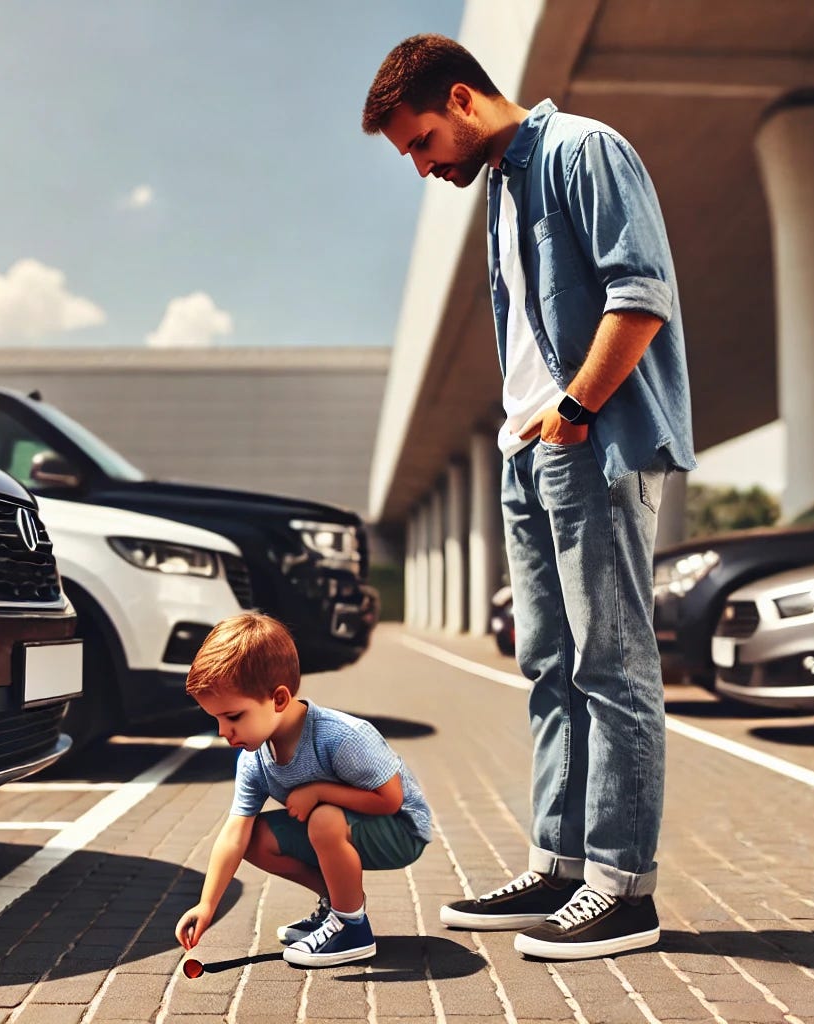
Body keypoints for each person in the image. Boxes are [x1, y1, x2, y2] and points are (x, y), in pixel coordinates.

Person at [362, 34, 695, 960]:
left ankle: (622, 889)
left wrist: (576, 410)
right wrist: (526, 432)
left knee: (611, 665)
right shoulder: (501, 187)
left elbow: (641, 294)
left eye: (422, 142)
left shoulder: (584, 151)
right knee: (549, 667)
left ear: (461, 100)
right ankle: (561, 863)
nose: (423, 167)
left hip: (590, 442)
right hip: (529, 450)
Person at [174, 612, 431, 968]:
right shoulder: (254, 758)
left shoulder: (341, 737)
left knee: (324, 817)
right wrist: (207, 905)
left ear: (279, 699)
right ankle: (336, 905)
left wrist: (320, 791)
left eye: (233, 717)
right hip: (347, 828)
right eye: (215, 718)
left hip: (401, 831)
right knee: (253, 838)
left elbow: (390, 800)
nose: (223, 731)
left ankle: (352, 928)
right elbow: (234, 833)